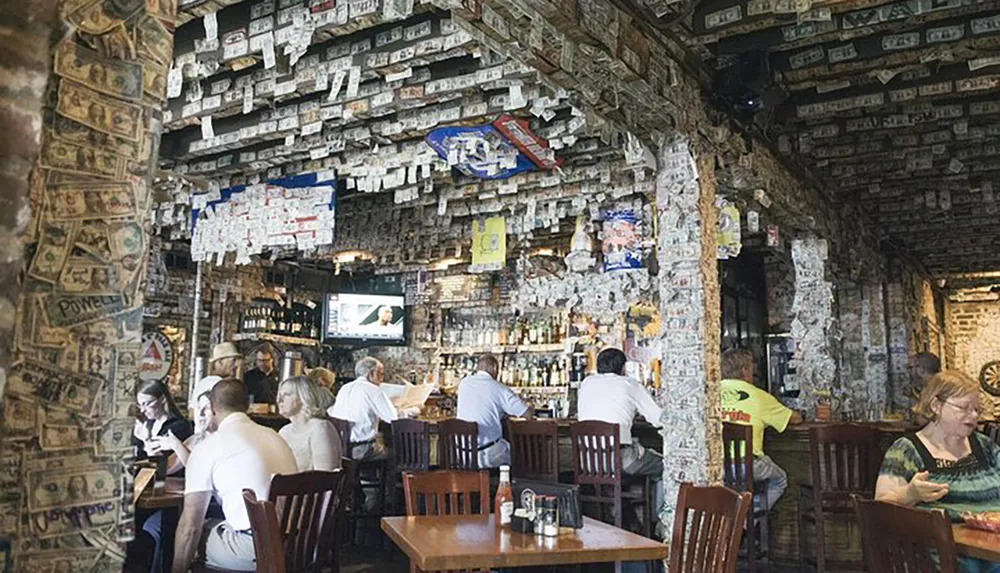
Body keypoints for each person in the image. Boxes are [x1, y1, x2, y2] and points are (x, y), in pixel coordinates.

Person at [877, 370, 1000, 573]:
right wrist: (910, 495)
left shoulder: (984, 446)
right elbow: (880, 510)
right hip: (941, 558)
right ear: (936, 406)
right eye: (963, 408)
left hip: (991, 549)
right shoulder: (907, 450)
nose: (974, 415)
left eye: (976, 409)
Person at [172, 379, 297, 573]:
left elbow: (190, 527)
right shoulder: (275, 436)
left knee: (187, 533)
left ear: (213, 408)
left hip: (254, 550)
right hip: (295, 545)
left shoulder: (209, 447)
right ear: (246, 406)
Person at [577, 348, 664, 516]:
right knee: (666, 466)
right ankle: (659, 522)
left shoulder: (586, 383)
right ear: (623, 368)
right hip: (621, 460)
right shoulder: (630, 384)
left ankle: (619, 515)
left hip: (588, 463)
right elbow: (657, 418)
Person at [719, 347, 802, 509]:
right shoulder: (758, 396)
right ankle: (743, 522)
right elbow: (795, 419)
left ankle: (733, 519)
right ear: (744, 370)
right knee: (780, 481)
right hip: (748, 465)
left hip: (718, 468)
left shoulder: (710, 393)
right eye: (751, 367)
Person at [328, 357, 419, 461]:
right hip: (362, 449)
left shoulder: (344, 388)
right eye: (380, 374)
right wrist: (414, 410)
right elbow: (393, 418)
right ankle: (390, 477)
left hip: (340, 448)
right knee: (399, 454)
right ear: (371, 374)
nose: (382, 378)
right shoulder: (373, 390)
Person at [456, 354, 533, 468]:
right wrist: (531, 406)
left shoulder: (464, 383)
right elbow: (527, 414)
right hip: (487, 455)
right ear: (495, 368)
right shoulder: (499, 388)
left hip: (462, 455)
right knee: (519, 454)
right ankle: (517, 482)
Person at [277, 376, 342, 471]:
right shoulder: (284, 431)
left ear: (304, 397)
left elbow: (325, 477)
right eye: (279, 395)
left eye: (286, 394)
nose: (279, 400)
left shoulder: (320, 429)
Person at [132, 380, 193, 460]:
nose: (142, 410)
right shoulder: (147, 424)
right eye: (140, 405)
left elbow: (169, 465)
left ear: (163, 399)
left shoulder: (180, 427)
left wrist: (146, 441)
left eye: (147, 404)